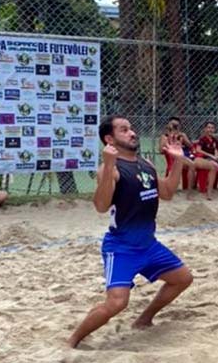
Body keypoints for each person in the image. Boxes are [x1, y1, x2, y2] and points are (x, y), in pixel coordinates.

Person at [67, 116, 193, 348]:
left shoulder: (146, 164)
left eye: (131, 129)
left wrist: (177, 163)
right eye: (124, 130)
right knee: (116, 303)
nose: (132, 133)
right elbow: (101, 206)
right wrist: (109, 165)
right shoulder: (109, 169)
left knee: (183, 279)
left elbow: (166, 193)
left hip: (148, 244)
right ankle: (72, 340)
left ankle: (144, 319)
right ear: (109, 139)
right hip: (122, 247)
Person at [159, 117, 197, 192]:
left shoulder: (181, 135)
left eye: (176, 125)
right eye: (173, 124)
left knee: (192, 165)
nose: (174, 126)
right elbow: (161, 150)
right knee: (173, 165)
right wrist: (167, 140)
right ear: (168, 125)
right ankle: (169, 187)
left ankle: (189, 191)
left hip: (181, 157)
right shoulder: (164, 136)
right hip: (171, 157)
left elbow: (190, 146)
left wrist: (183, 138)